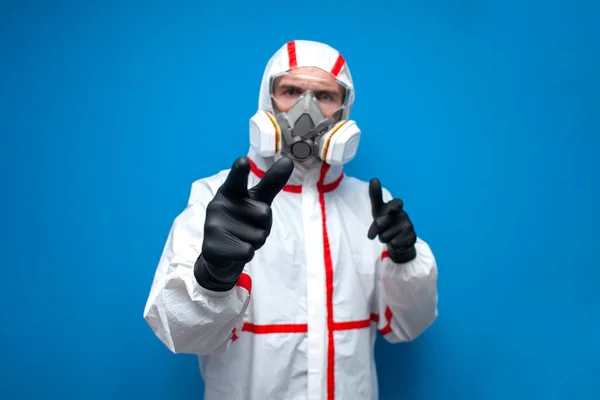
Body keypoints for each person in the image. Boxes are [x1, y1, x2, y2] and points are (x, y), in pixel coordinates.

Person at [143, 39, 439, 400]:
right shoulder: (219, 199)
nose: (307, 109)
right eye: (292, 91)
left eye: (326, 96)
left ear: (344, 112)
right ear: (267, 100)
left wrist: (405, 260)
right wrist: (213, 275)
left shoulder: (372, 205)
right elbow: (181, 332)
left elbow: (408, 326)